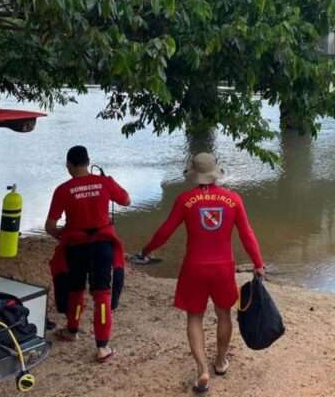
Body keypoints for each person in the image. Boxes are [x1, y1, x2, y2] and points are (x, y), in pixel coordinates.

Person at [139, 152, 265, 394]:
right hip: (223, 267)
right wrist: (258, 263)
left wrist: (147, 250)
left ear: (194, 175)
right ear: (215, 173)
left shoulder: (185, 200)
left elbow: (165, 231)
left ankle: (202, 370)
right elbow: (247, 234)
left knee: (194, 318)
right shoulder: (233, 199)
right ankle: (220, 361)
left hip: (194, 268)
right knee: (224, 314)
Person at [45, 145, 130, 363]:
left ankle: (72, 331)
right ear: (88, 161)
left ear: (69, 166)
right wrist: (106, 183)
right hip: (102, 245)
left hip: (76, 246)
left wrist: (64, 237)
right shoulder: (105, 183)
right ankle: (102, 347)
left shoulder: (63, 190)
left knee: (76, 289)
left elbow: (50, 226)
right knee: (102, 293)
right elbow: (126, 200)